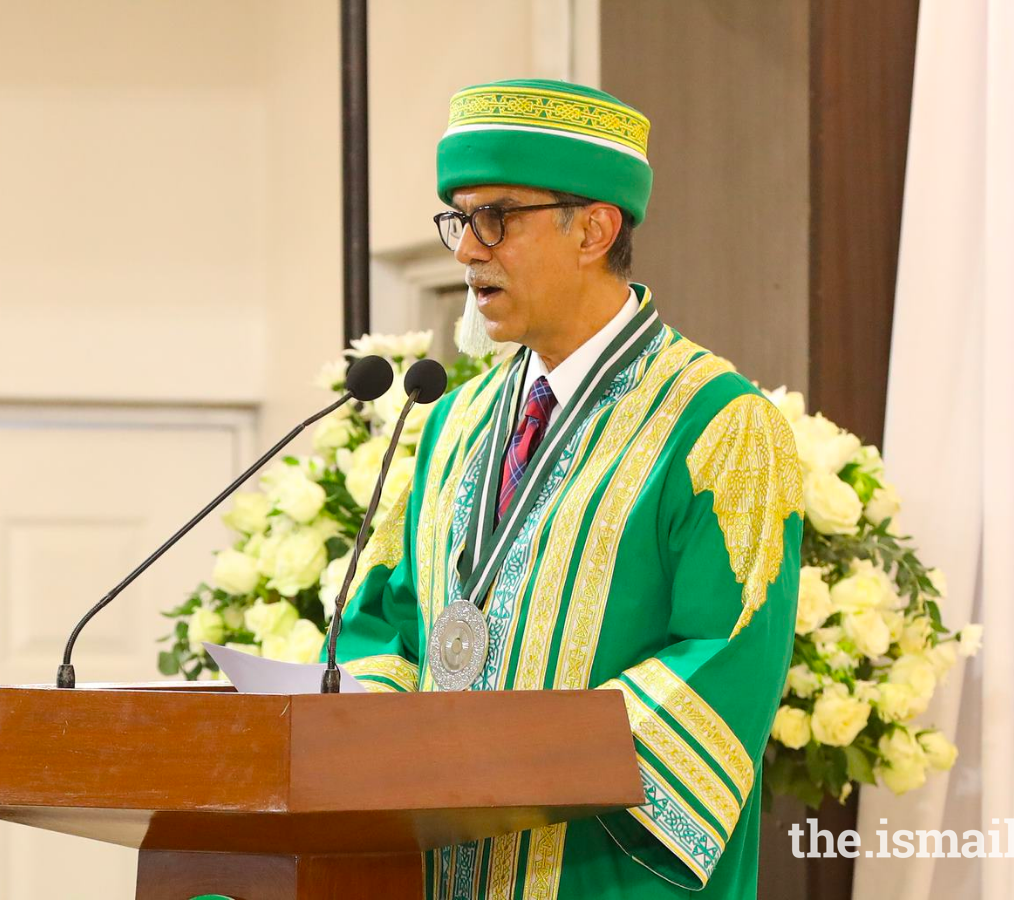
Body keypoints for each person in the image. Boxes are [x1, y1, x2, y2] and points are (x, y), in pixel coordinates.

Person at [333, 78, 803, 900]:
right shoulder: (455, 420)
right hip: (435, 869)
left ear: (594, 228)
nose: (467, 251)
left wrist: (509, 765)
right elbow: (387, 618)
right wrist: (376, 734)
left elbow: (725, 658)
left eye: (496, 219)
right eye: (459, 219)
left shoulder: (717, 425)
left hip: (600, 868)